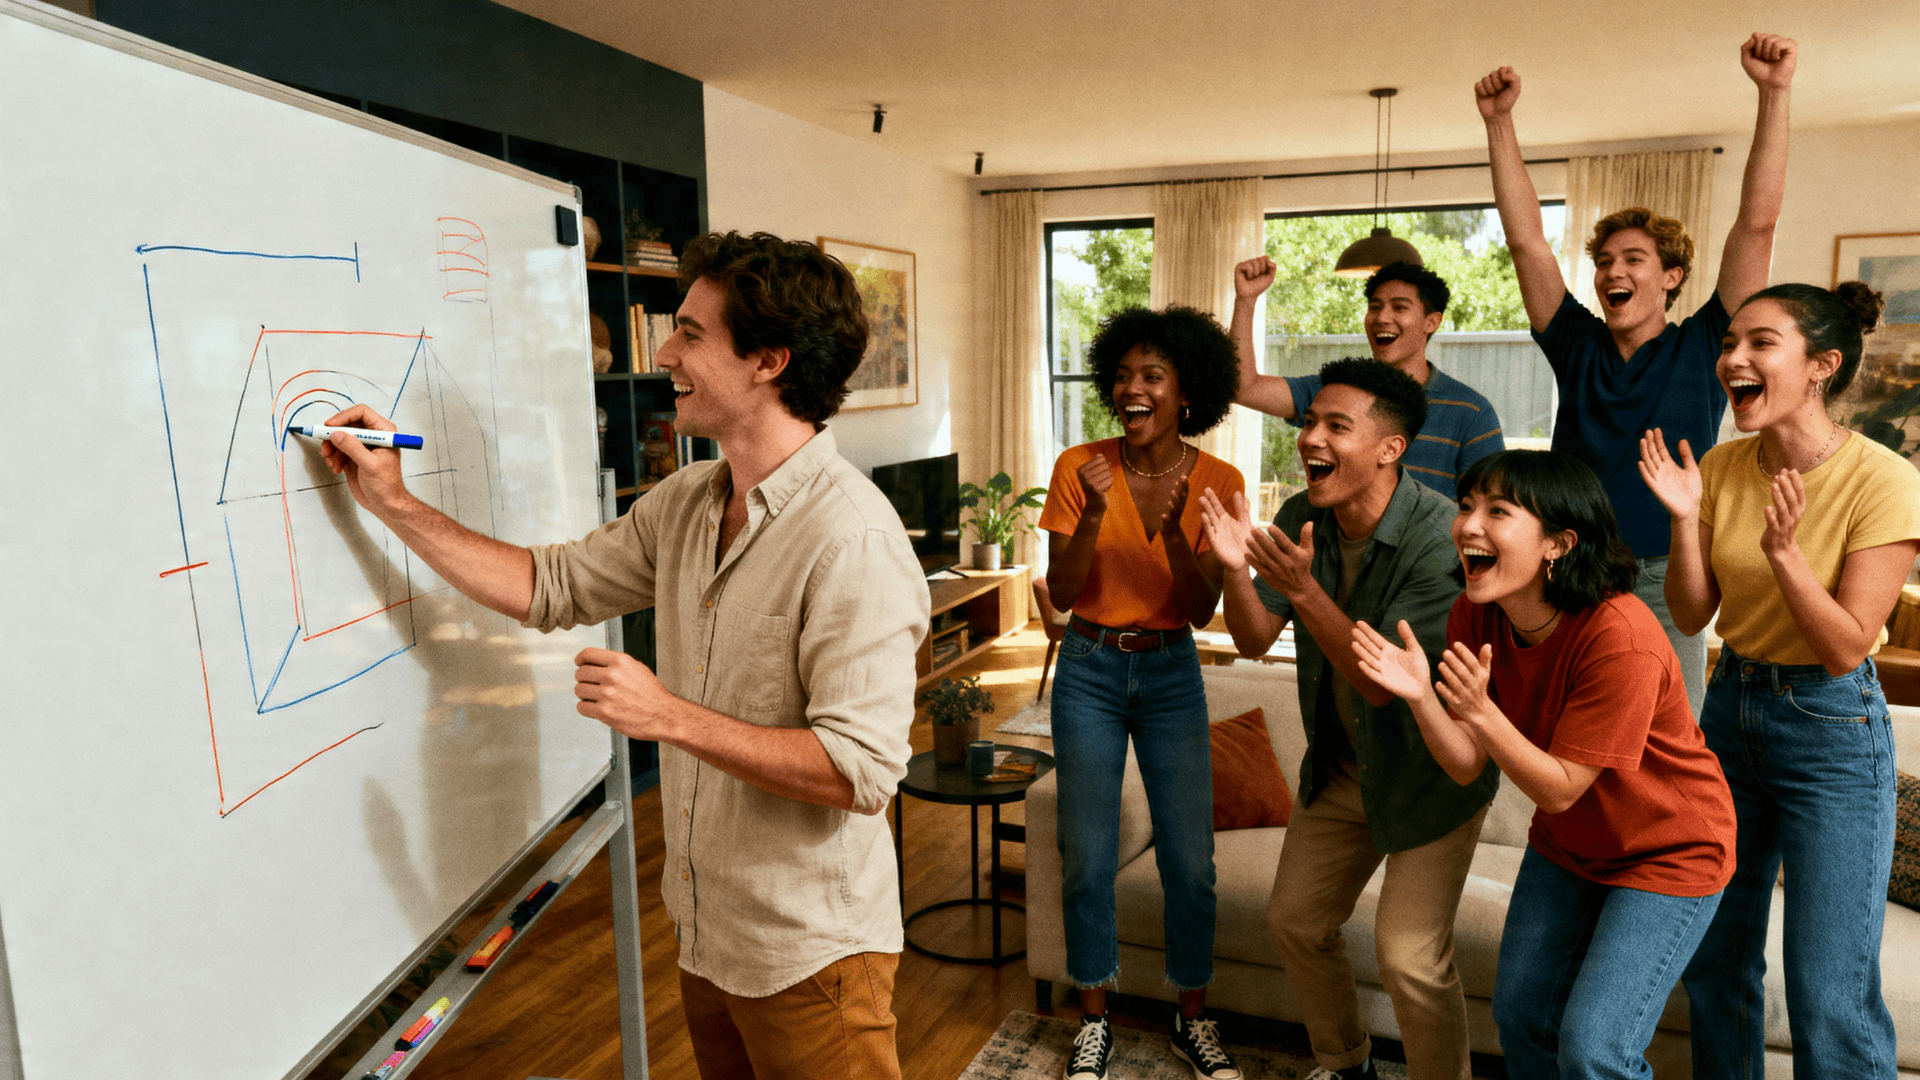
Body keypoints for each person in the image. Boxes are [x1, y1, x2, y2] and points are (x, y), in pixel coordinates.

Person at [317, 231, 930, 1080]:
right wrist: (394, 503)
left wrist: (668, 716)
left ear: (769, 362)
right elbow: (549, 585)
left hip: (811, 961)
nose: (666, 352)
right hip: (708, 937)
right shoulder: (686, 501)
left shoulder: (852, 538)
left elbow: (858, 772)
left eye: (690, 333)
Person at [1354, 450, 1736, 1079]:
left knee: (1594, 1050)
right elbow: (1465, 763)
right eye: (1468, 505)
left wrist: (1480, 712)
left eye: (1497, 512)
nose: (1468, 524)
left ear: (1559, 543)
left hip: (1670, 850)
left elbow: (1559, 788)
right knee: (1524, 1017)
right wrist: (1423, 697)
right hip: (1572, 847)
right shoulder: (1477, 612)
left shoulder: (1622, 636)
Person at [1641, 282, 1920, 1078]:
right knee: (1715, 960)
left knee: (1829, 992)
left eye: (1761, 343)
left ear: (1821, 366)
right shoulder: (1725, 465)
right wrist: (1682, 518)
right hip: (1729, 713)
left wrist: (1785, 556)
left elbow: (1845, 646)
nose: (1735, 358)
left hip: (1831, 728)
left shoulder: (1885, 480)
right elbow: (1693, 614)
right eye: (1731, 343)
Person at [1475, 32, 1799, 717]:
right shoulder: (1576, 343)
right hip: (1569, 565)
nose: (1613, 273)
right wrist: (1499, 124)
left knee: (1666, 727)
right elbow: (1527, 239)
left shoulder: (1710, 340)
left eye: (1634, 259)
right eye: (1604, 263)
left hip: (1664, 573)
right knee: (1568, 722)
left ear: (1672, 277)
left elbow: (1758, 225)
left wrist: (1774, 94)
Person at [1199, 357, 1496, 1080]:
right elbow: (1250, 640)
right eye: (1308, 422)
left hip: (1430, 777)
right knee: (1296, 920)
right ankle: (1346, 1062)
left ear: (1391, 449)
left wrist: (1302, 591)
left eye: (1337, 425)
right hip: (1341, 769)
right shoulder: (1303, 516)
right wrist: (1238, 568)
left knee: (1411, 957)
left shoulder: (1439, 540)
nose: (1310, 438)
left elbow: (1383, 686)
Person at [1040, 305, 1245, 1080]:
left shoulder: (1218, 482)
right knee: (1087, 857)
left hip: (1170, 671)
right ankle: (1094, 1015)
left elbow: (1200, 610)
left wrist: (1168, 531)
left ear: (1183, 392)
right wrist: (1096, 511)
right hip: (1089, 666)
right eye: (1122, 375)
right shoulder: (1077, 467)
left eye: (1151, 375)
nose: (1133, 387)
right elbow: (1061, 593)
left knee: (1190, 863)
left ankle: (1192, 1018)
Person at [1229, 258, 1505, 499]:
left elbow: (1487, 505)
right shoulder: (1332, 393)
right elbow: (1243, 387)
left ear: (1432, 322)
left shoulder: (1472, 412)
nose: (1382, 318)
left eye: (1399, 308)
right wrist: (1245, 300)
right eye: (1374, 307)